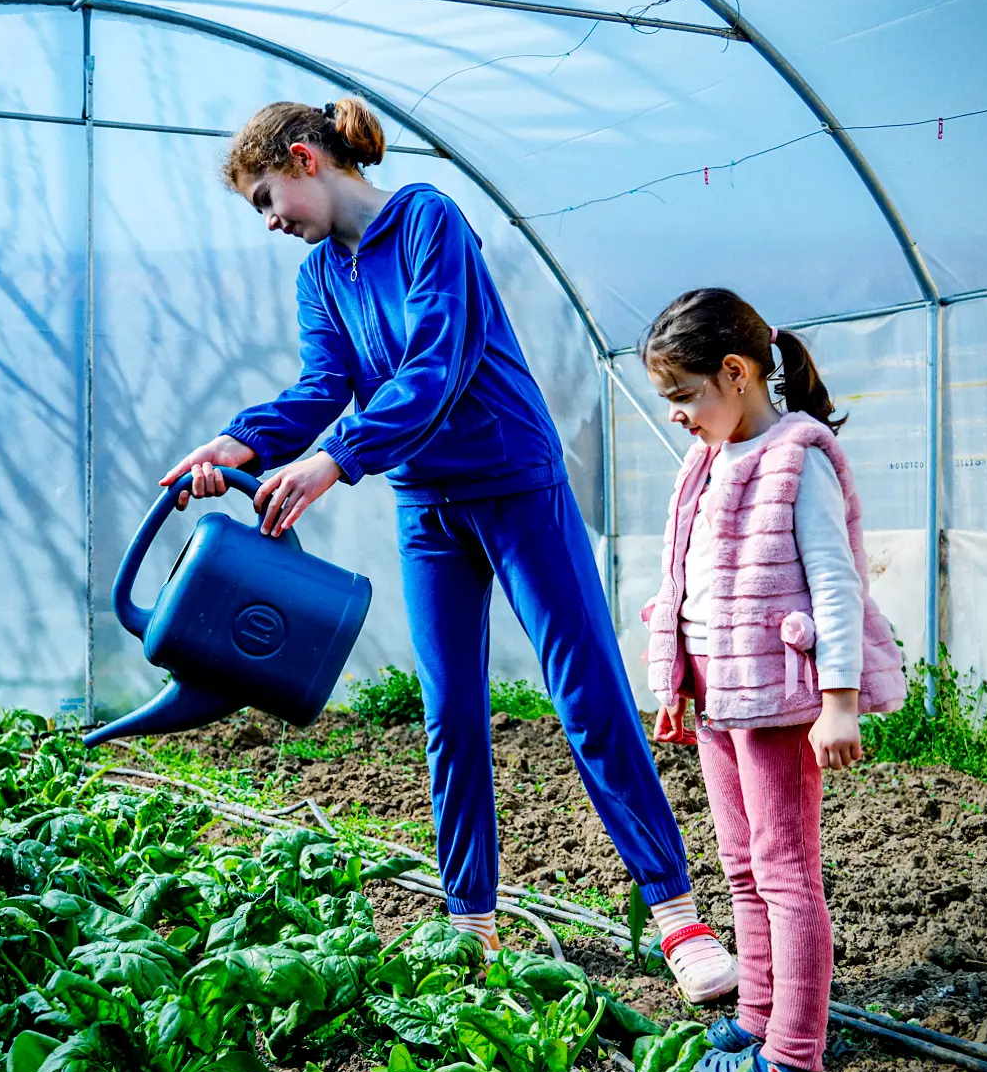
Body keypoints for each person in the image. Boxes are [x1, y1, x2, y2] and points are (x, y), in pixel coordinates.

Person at [162, 96, 737, 1001]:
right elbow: (323, 385)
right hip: (427, 505)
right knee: (450, 712)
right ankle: (469, 919)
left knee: (585, 694)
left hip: (514, 484)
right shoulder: (323, 278)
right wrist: (241, 443)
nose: (271, 221)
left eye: (268, 197)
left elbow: (437, 362)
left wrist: (337, 461)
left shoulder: (428, 220)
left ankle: (678, 916)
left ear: (308, 159)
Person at [638, 287, 908, 1072]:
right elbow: (683, 582)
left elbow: (836, 583)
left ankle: (793, 1058)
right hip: (722, 699)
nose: (679, 416)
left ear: (736, 372)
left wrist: (840, 701)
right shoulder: (706, 462)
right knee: (743, 867)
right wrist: (678, 680)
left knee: (788, 877)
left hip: (781, 705)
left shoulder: (800, 456)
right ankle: (758, 1016)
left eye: (685, 396)